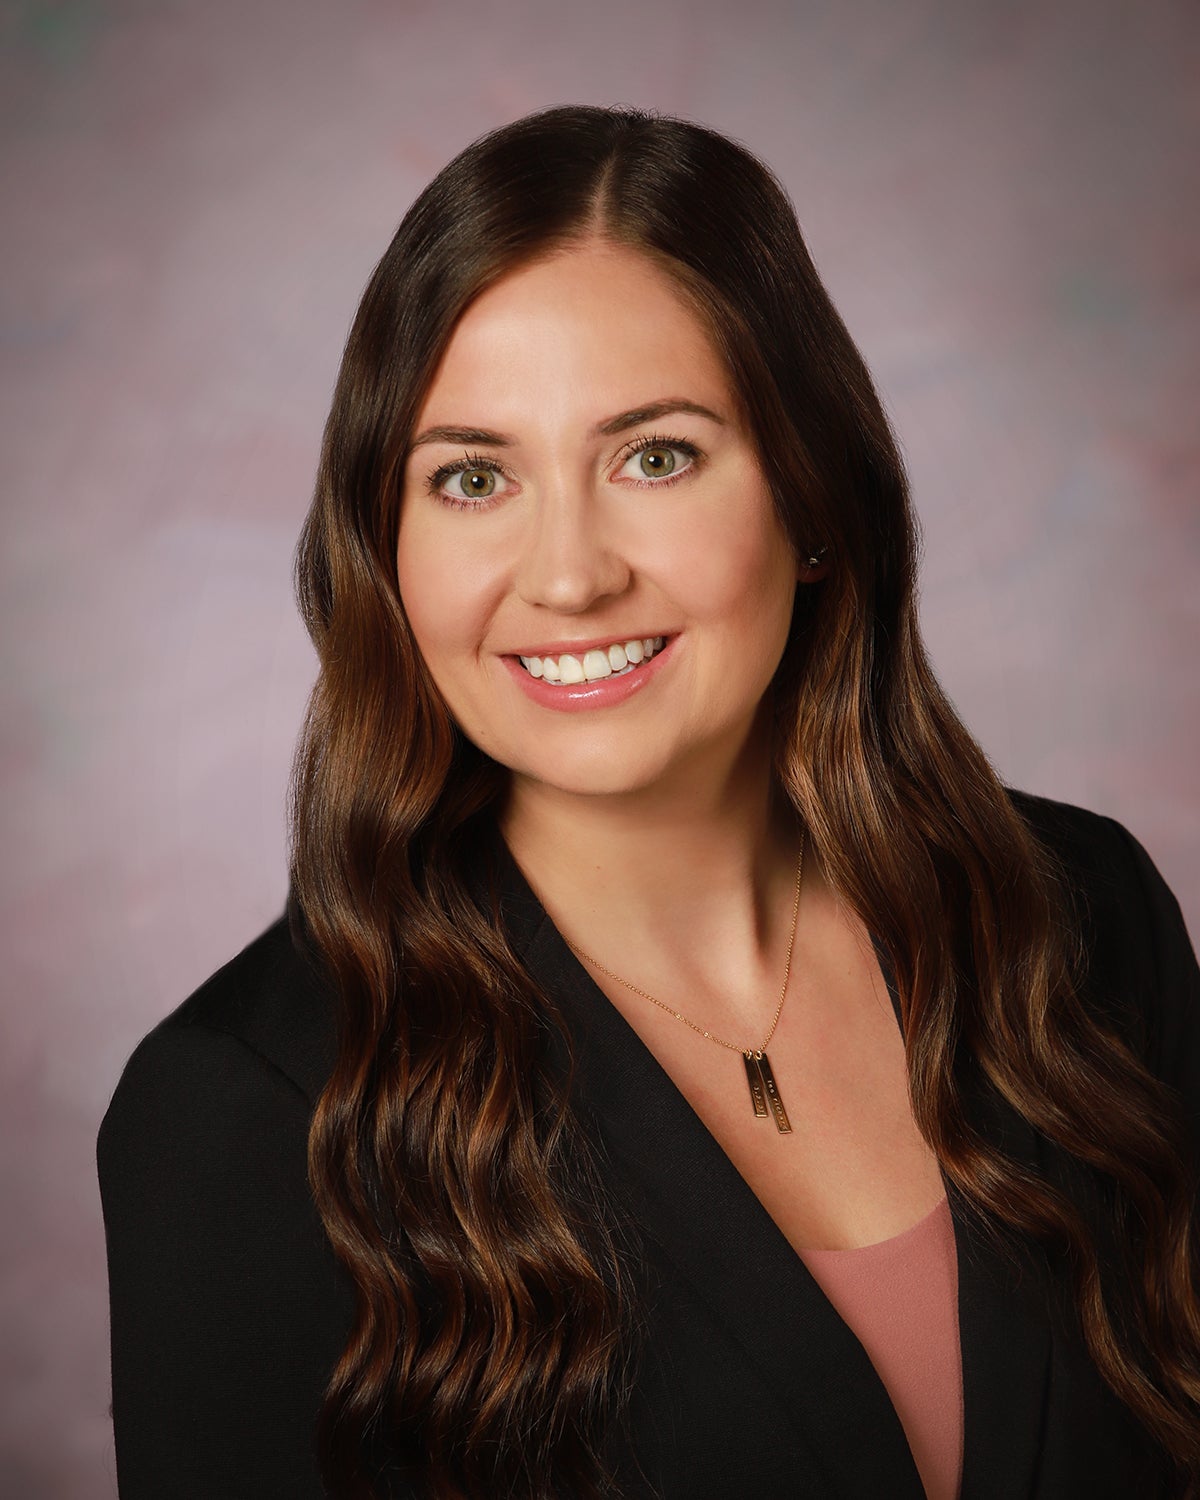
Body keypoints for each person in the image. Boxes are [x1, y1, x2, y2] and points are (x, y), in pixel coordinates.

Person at [97, 105, 1200, 1500]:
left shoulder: (1085, 922)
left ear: (810, 497)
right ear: (386, 545)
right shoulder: (244, 1116)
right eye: (474, 478)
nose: (567, 575)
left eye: (656, 455)